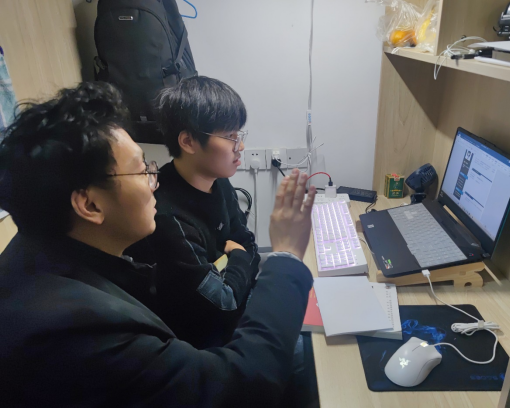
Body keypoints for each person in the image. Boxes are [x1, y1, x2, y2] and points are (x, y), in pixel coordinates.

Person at [0, 82, 317, 408]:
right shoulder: (78, 328)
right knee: (305, 357)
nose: (155, 183)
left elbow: (242, 244)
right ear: (90, 205)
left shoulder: (46, 252)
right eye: (142, 171)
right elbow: (242, 385)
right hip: (208, 346)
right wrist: (286, 256)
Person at [126, 76, 261, 349]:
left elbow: (247, 242)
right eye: (230, 136)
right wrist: (238, 257)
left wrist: (237, 260)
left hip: (239, 308)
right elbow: (222, 305)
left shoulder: (218, 181)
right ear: (188, 141)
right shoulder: (167, 217)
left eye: (239, 135)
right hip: (210, 343)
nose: (240, 147)